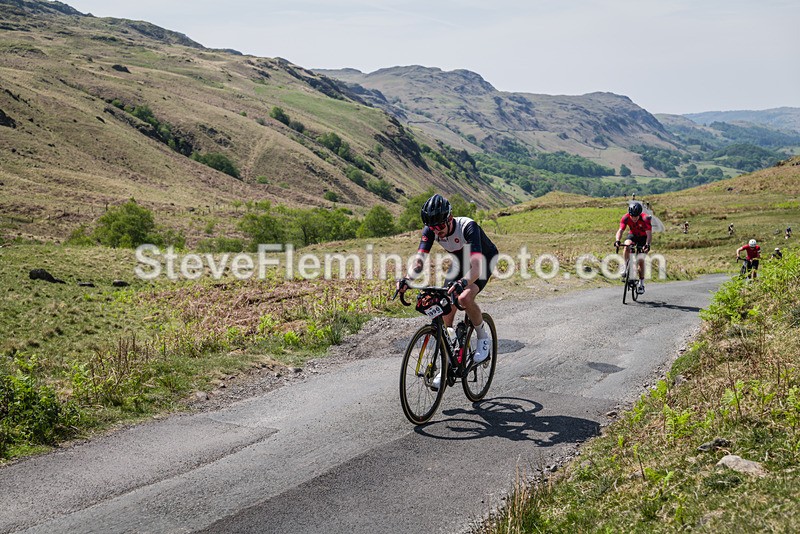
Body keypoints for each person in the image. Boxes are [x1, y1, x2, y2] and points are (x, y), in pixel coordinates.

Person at [397, 193, 499, 390]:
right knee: (446, 307)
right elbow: (419, 260)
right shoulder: (431, 229)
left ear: (449, 218)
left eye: (440, 227)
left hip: (484, 260)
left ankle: (483, 338)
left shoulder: (468, 227)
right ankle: (449, 362)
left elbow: (476, 267)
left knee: (464, 297)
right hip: (460, 262)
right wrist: (408, 279)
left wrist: (464, 282)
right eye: (433, 228)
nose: (438, 232)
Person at [614, 201, 652, 294]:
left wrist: (647, 244)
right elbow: (620, 230)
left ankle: (641, 284)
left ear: (639, 214)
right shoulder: (626, 218)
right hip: (633, 235)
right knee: (626, 245)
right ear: (630, 214)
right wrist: (617, 240)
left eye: (636, 216)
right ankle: (626, 266)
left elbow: (649, 234)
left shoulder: (645, 218)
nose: (634, 218)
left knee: (640, 260)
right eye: (632, 216)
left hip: (643, 238)